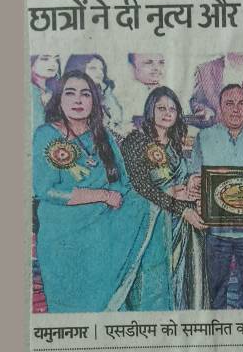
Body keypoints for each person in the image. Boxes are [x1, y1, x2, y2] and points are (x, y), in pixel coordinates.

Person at [33, 70, 172, 313]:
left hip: (106, 226)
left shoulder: (102, 135)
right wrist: (102, 195)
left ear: (94, 101)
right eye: (70, 93)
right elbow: (46, 190)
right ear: (59, 99)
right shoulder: (47, 134)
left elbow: (124, 183)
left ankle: (147, 309)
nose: (78, 100)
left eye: (85, 94)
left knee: (151, 206)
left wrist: (166, 193)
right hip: (65, 231)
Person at [121, 86, 209, 310]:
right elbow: (140, 187)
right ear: (150, 110)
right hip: (151, 225)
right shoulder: (136, 141)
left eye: (172, 109)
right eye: (161, 108)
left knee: (181, 279)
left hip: (181, 224)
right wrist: (180, 207)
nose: (167, 113)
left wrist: (191, 181)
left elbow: (178, 178)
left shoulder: (174, 143)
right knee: (151, 281)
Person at [190, 84, 243, 309]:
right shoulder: (203, 138)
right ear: (220, 107)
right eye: (229, 103)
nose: (236, 109)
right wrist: (196, 192)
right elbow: (194, 176)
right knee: (214, 291)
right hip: (215, 231)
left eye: (242, 104)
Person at [64, 54, 124, 135]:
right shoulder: (68, 96)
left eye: (101, 69)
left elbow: (116, 119)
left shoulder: (105, 92)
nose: (100, 73)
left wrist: (106, 93)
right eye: (93, 68)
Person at [125, 53, 166, 129]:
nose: (157, 68)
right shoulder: (126, 97)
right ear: (132, 67)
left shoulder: (168, 94)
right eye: (148, 63)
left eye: (161, 62)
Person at [30, 54, 60, 130]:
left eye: (56, 59)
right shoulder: (31, 91)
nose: (53, 64)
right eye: (45, 59)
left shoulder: (52, 92)